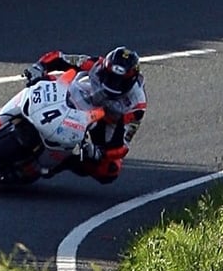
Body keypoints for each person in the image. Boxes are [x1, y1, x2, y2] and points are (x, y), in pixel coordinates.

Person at [22, 46, 147, 184]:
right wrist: (39, 67)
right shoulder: (95, 64)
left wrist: (101, 152)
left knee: (110, 170)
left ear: (131, 81)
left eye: (119, 81)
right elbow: (60, 58)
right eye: (110, 77)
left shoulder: (136, 105)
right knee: (42, 81)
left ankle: (62, 163)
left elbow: (122, 143)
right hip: (78, 94)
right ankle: (14, 112)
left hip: (103, 120)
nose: (113, 83)